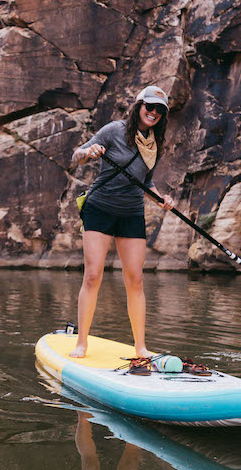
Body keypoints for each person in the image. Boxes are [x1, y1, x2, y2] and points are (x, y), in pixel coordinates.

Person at [69, 84, 174, 370]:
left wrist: (161, 198)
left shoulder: (155, 143)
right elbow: (75, 155)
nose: (153, 112)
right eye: (149, 106)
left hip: (131, 213)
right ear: (139, 105)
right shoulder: (113, 130)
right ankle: (82, 342)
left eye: (159, 110)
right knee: (93, 275)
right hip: (99, 209)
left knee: (135, 279)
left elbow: (146, 182)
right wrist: (89, 152)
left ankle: (140, 346)